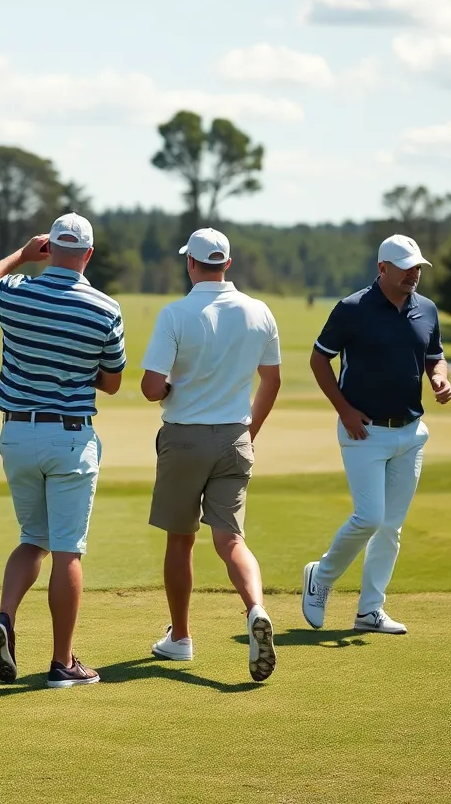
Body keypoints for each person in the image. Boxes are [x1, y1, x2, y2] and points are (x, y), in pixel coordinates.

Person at [0, 212, 125, 689]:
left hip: (17, 435)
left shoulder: (16, 292)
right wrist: (76, 371)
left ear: (49, 248)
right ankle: (62, 663)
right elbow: (112, 383)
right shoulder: (104, 308)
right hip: (70, 438)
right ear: (89, 255)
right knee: (67, 552)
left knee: (31, 538)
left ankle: (5, 616)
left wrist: (19, 255)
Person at [139, 228, 283, 681]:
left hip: (184, 438)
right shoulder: (260, 312)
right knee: (231, 541)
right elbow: (271, 380)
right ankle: (256, 608)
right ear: (228, 264)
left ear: (191, 264)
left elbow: (149, 388)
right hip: (236, 437)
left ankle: (180, 638)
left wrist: (166, 387)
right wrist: (249, 432)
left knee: (181, 540)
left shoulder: (176, 313)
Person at [302, 235, 451, 635]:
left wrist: (439, 378)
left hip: (410, 431)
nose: (414, 274)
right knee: (369, 517)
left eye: (418, 267)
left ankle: (370, 610)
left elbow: (434, 356)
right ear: (382, 269)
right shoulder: (352, 309)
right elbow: (319, 360)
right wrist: (345, 410)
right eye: (406, 267)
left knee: (391, 527)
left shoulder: (427, 310)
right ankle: (322, 576)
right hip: (363, 431)